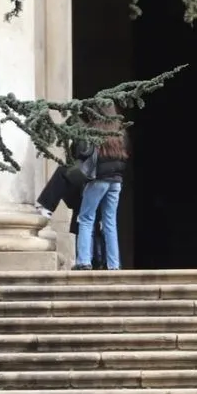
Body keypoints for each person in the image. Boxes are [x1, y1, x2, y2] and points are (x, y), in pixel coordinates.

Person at [72, 104, 129, 271]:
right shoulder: (120, 131)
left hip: (98, 179)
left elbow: (82, 153)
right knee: (110, 222)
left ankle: (83, 261)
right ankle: (114, 264)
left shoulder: (93, 130)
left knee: (86, 218)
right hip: (116, 181)